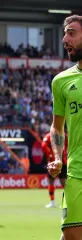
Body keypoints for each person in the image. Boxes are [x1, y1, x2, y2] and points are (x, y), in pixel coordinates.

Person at [48, 15, 82, 240]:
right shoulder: (61, 81)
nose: (64, 39)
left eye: (71, 33)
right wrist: (58, 156)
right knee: (71, 235)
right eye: (65, 33)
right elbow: (57, 126)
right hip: (78, 171)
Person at [41, 131, 67, 208]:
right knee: (64, 182)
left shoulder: (49, 136)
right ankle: (66, 202)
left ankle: (52, 202)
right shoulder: (65, 135)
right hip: (63, 162)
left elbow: (43, 145)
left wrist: (49, 155)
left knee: (51, 181)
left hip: (53, 162)